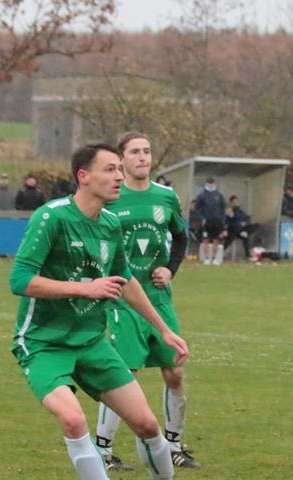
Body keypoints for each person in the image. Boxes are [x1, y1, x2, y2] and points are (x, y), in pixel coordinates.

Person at [8, 142, 189, 480]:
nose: (119, 176)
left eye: (120, 169)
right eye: (110, 169)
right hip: (43, 343)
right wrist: (84, 288)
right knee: (74, 420)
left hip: (91, 342)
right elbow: (19, 280)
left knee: (148, 425)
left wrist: (163, 328)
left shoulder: (109, 223)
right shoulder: (52, 217)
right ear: (84, 176)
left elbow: (126, 281)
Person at [91, 132, 199, 471]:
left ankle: (173, 445)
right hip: (122, 298)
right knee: (124, 372)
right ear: (121, 159)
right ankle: (103, 451)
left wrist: (170, 268)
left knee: (175, 371)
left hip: (158, 299)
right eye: (135, 151)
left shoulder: (166, 197)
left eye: (147, 151)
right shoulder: (109, 196)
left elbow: (181, 237)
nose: (143, 157)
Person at [194, 177, 226, 265]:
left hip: (217, 221)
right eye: (209, 183)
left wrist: (222, 219)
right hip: (206, 221)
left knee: (216, 239)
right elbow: (197, 209)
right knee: (205, 239)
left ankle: (215, 258)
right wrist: (202, 218)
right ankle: (207, 258)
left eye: (212, 183)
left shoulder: (219, 195)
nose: (210, 185)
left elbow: (223, 208)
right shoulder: (201, 195)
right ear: (206, 183)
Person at [224, 194, 259, 260]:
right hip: (233, 231)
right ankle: (243, 233)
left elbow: (246, 218)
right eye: (235, 202)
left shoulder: (240, 211)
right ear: (231, 203)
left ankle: (247, 255)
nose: (237, 203)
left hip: (241, 230)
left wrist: (247, 221)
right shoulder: (229, 210)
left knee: (256, 225)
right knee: (234, 234)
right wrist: (241, 223)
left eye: (237, 201)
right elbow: (230, 220)